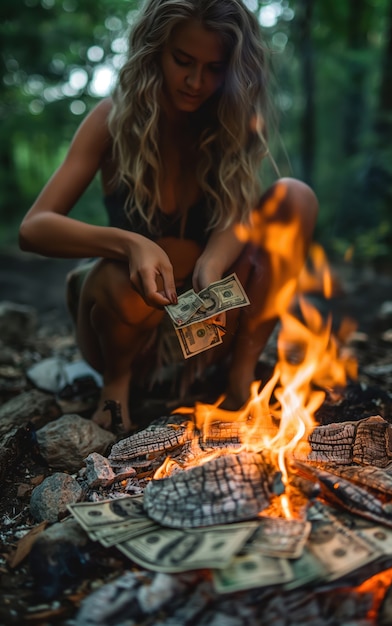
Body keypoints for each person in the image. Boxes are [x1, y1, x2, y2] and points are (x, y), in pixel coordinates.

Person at [19, 0, 318, 434]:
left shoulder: (231, 121)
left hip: (202, 331)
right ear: (155, 50)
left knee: (295, 196)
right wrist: (130, 243)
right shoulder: (113, 118)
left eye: (215, 68)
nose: (196, 82)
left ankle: (239, 385)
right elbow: (34, 227)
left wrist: (213, 262)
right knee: (118, 278)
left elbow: (239, 214)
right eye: (183, 61)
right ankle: (115, 396)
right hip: (123, 332)